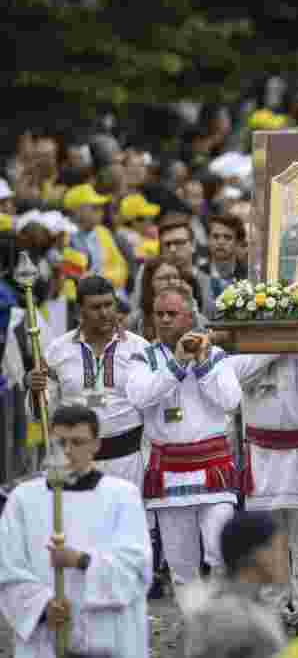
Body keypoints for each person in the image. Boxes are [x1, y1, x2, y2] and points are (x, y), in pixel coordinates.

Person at [0, 404, 152, 658]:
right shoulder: (23, 499)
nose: (68, 451)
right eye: (60, 443)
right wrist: (41, 606)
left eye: (78, 442)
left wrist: (81, 560)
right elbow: (8, 566)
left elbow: (137, 566)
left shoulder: (122, 495)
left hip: (108, 634)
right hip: (47, 635)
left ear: (96, 445)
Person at [125, 285, 240, 589]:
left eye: (172, 314)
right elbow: (139, 396)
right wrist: (176, 365)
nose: (164, 320)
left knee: (221, 552)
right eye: (159, 314)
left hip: (212, 465)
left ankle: (222, 623)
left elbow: (231, 400)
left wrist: (201, 364)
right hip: (170, 470)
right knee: (181, 565)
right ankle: (194, 629)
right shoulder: (143, 356)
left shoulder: (214, 354)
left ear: (189, 317)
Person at [225, 344, 298, 630]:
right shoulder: (251, 336)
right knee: (267, 541)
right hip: (263, 456)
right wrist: (274, 346)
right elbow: (231, 374)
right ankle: (272, 610)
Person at [28, 275, 150, 490]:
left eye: (108, 305)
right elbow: (41, 413)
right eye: (95, 307)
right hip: (72, 462)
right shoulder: (57, 351)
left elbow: (152, 403)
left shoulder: (139, 347)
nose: (104, 313)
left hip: (128, 463)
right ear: (79, 312)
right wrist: (35, 388)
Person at [179, 512, 288, 658]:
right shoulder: (234, 618)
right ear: (255, 554)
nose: (284, 559)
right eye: (279, 549)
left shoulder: (248, 603)